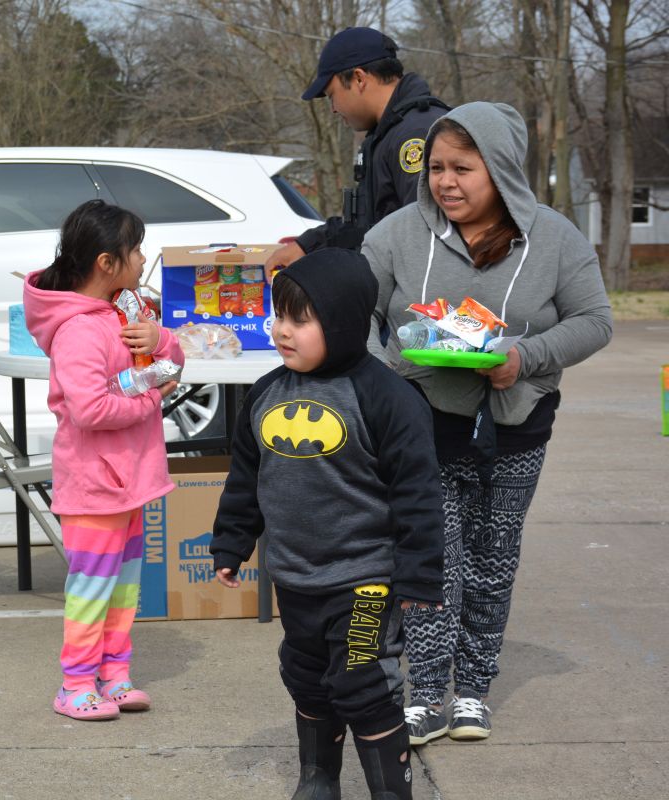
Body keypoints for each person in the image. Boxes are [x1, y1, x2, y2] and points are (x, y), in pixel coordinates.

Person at [362, 101, 613, 744]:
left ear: (499, 170)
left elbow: (594, 321)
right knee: (431, 560)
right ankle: (426, 694)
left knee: (492, 560)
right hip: (421, 424)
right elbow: (356, 309)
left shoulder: (554, 237)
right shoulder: (397, 233)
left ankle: (472, 691)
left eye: (462, 169)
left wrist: (524, 357)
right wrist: (382, 377)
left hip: (516, 424)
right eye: (437, 168)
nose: (445, 182)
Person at [210, 250, 444, 799]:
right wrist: (231, 543)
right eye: (278, 316)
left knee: (362, 682)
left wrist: (419, 575)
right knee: (307, 677)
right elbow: (246, 478)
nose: (282, 330)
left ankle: (391, 791)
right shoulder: (266, 393)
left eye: (300, 319)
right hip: (295, 575)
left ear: (340, 322)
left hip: (365, 577)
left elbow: (417, 495)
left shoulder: (388, 398)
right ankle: (318, 779)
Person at [22, 199, 185, 721]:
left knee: (123, 589)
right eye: (136, 249)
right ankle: (75, 684)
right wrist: (151, 399)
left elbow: (169, 364)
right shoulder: (78, 331)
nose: (143, 258)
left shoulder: (126, 311)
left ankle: (115, 676)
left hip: (129, 483)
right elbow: (90, 410)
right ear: (106, 262)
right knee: (92, 589)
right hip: (94, 486)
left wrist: (161, 339)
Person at [272, 26, 449, 269]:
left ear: (358, 79)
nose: (333, 109)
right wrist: (308, 245)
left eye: (332, 95)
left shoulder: (415, 133)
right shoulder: (385, 135)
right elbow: (368, 227)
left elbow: (426, 242)